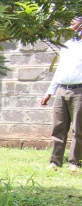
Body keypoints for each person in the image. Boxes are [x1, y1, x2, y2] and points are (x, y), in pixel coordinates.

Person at [41, 16, 82, 174]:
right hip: (61, 90)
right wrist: (49, 92)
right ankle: (55, 161)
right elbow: (59, 70)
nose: (70, 25)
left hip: (79, 90)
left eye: (73, 23)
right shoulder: (67, 45)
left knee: (78, 129)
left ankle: (75, 162)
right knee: (58, 127)